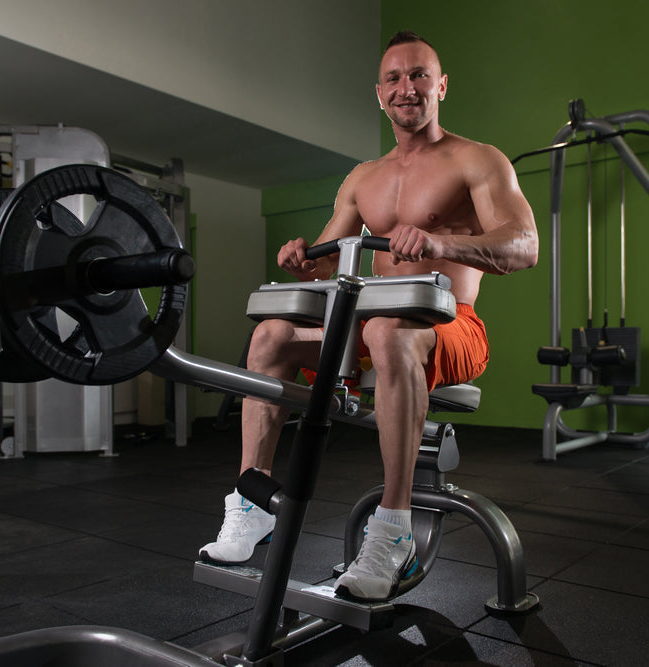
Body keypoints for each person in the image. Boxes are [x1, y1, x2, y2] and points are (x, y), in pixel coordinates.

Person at [199, 30, 539, 602]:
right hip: (374, 326)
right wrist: (302, 260)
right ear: (378, 94)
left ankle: (393, 529)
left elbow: (524, 247)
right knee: (272, 335)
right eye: (394, 79)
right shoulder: (363, 177)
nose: (407, 88)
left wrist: (440, 244)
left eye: (419, 75)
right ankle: (251, 504)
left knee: (387, 328)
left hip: (450, 326)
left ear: (442, 86)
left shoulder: (477, 160)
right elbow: (327, 265)